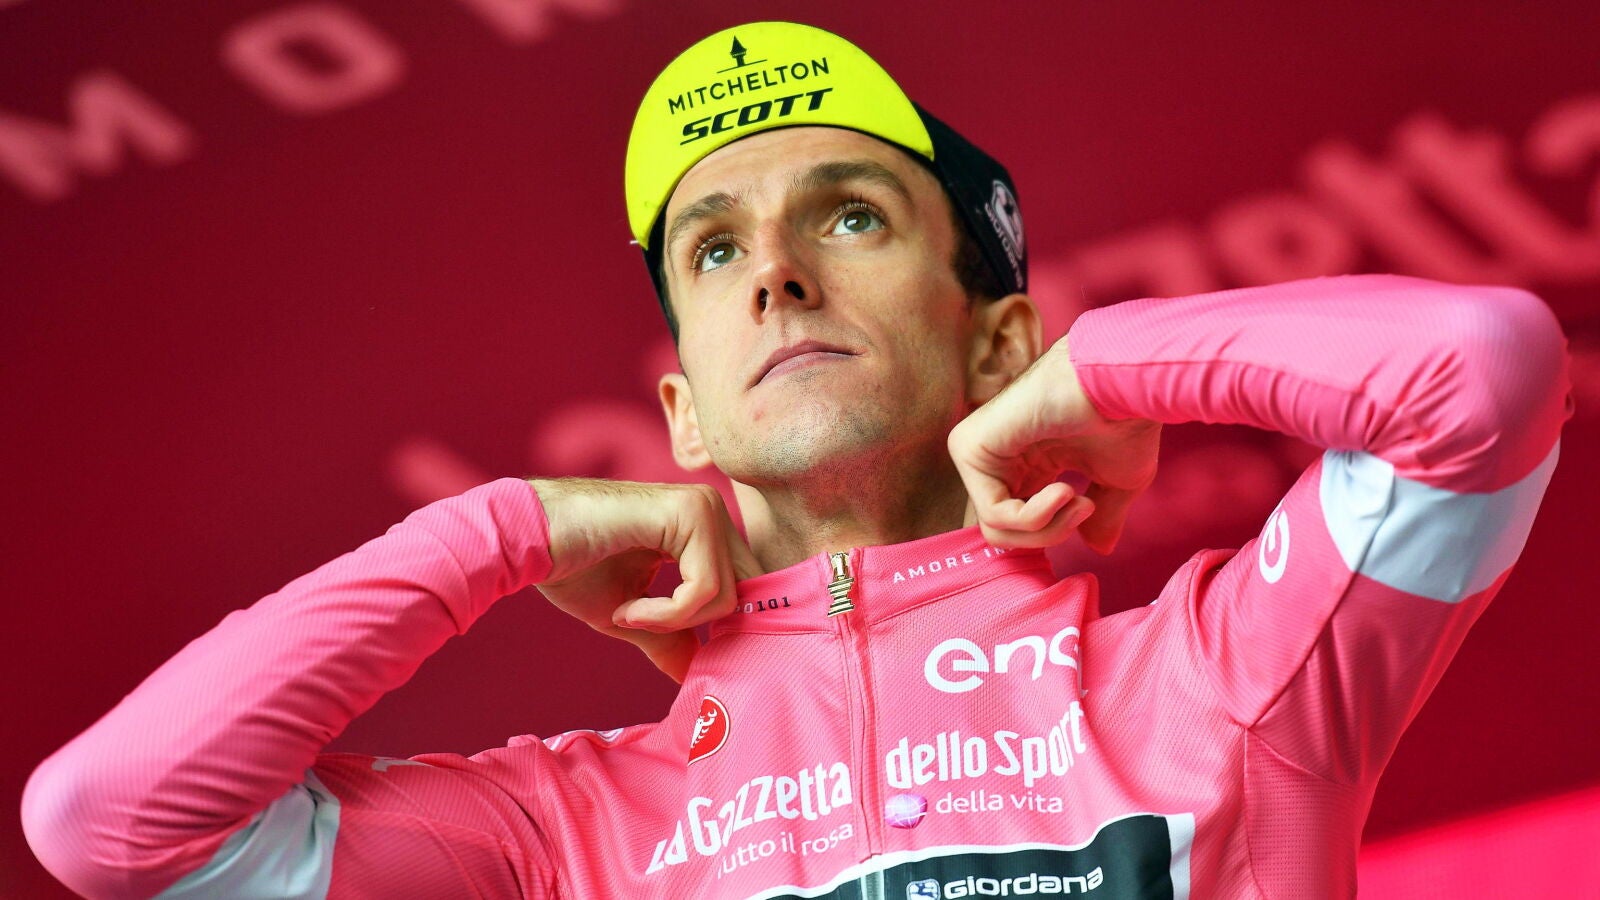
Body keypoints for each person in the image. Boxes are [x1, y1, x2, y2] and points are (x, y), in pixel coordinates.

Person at [22, 21, 1571, 899]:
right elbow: (111, 823)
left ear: (995, 347)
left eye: (849, 216)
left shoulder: (1220, 682)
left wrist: (1105, 368)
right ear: (685, 418)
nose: (774, 272)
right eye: (714, 249)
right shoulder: (570, 835)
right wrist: (495, 530)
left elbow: (1482, 373)